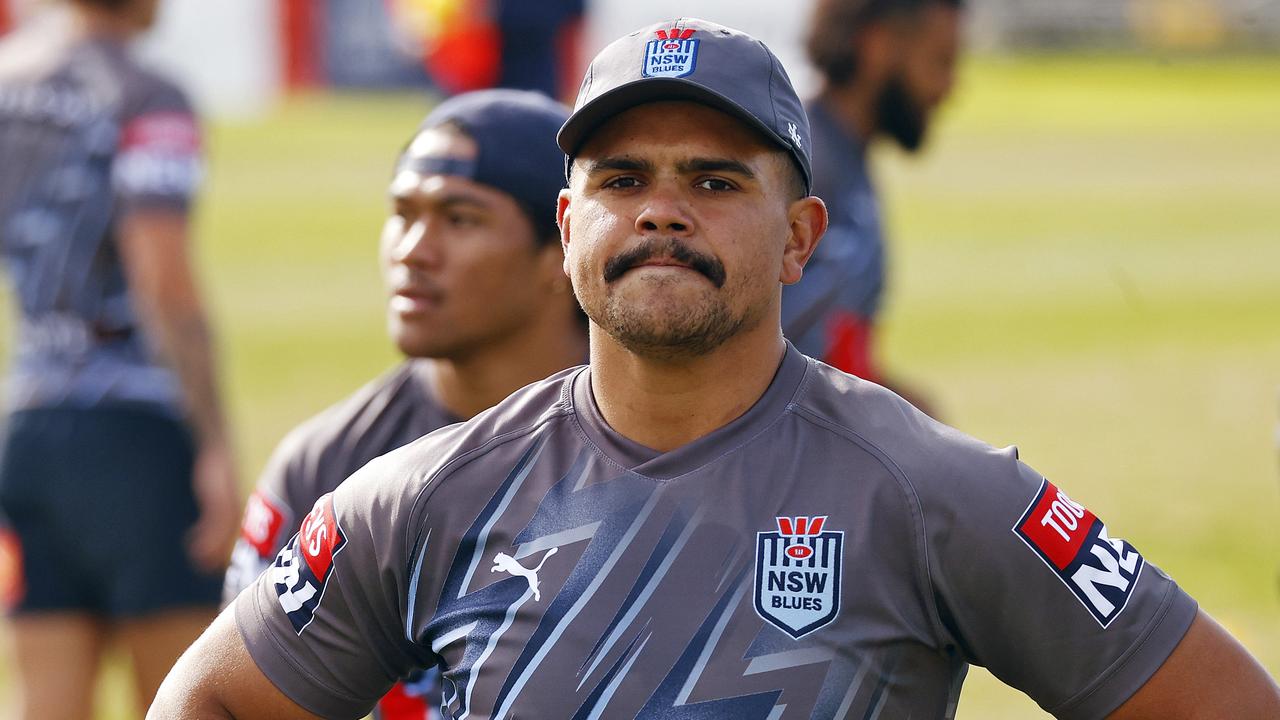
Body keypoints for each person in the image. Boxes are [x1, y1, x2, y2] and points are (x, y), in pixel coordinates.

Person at [151, 17, 1280, 720]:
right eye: (620, 178)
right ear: (566, 224)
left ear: (798, 238)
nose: (659, 212)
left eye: (713, 180)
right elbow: (213, 701)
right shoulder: (421, 493)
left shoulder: (931, 492)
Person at [220, 88, 588, 719]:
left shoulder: (654, 434)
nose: (413, 250)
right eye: (403, 212)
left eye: (460, 218)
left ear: (563, 246)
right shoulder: (327, 463)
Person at [0, 0, 239, 717]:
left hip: (29, 424)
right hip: (134, 433)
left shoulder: (8, 81)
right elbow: (163, 281)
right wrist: (216, 445)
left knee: (48, 701)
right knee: (179, 699)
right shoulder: (148, 96)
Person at [783, 0, 963, 416]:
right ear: (878, 46)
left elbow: (834, 357)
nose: (949, 88)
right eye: (940, 61)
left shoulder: (847, 157)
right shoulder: (804, 165)